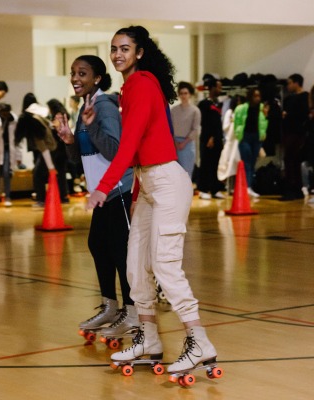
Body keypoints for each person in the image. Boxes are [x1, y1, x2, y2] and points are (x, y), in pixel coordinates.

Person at [83, 26, 217, 374]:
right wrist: (136, 193)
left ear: (139, 53)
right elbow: (135, 151)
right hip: (147, 184)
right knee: (134, 266)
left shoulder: (142, 84)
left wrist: (104, 187)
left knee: (165, 265)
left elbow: (129, 144)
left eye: (124, 49)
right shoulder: (129, 89)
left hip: (167, 182)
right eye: (113, 49)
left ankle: (199, 340)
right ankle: (149, 339)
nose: (117, 55)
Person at [57, 55, 138, 339]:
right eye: (73, 73)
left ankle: (132, 312)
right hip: (101, 193)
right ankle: (110, 306)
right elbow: (82, 158)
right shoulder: (86, 106)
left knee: (120, 252)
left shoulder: (104, 105)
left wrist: (89, 127)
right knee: (98, 245)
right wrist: (69, 141)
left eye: (82, 73)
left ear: (97, 78)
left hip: (118, 189)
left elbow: (116, 151)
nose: (76, 78)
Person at [15, 93, 56, 208]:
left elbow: (43, 147)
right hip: (49, 148)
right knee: (39, 172)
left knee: (38, 173)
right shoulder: (39, 115)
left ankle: (41, 199)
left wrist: (51, 167)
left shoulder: (33, 126)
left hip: (47, 148)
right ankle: (41, 197)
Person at [234, 88, 268, 197]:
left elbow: (264, 122)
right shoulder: (242, 108)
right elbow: (237, 122)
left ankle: (249, 186)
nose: (257, 98)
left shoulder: (262, 108)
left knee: (253, 161)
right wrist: (237, 133)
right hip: (245, 136)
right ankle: (246, 186)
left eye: (258, 96)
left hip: (256, 137)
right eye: (255, 96)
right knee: (247, 161)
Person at [280, 73, 309, 201]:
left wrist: (288, 115)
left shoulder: (304, 97)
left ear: (296, 83)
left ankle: (293, 189)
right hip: (290, 132)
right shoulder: (289, 99)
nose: (288, 86)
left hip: (297, 133)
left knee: (291, 160)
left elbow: (301, 115)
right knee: (292, 160)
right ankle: (295, 188)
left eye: (290, 83)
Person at [198, 78, 226, 200]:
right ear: (212, 88)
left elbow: (218, 123)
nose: (220, 89)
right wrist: (210, 137)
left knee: (215, 164)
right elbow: (205, 122)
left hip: (218, 139)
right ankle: (203, 189)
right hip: (208, 139)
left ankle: (215, 189)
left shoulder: (218, 103)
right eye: (218, 87)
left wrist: (218, 137)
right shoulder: (204, 104)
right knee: (206, 164)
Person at [170, 81, 201, 178]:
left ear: (190, 94)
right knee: (175, 173)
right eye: (181, 93)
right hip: (174, 143)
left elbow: (195, 129)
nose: (183, 96)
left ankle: (187, 192)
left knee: (186, 172)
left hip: (187, 143)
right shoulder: (174, 110)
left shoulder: (195, 110)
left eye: (186, 93)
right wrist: (175, 142)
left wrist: (184, 143)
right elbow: (170, 127)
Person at [46, 99, 70, 203]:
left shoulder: (58, 115)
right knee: (62, 172)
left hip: (58, 147)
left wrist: (49, 125)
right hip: (63, 146)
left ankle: (62, 196)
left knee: (59, 173)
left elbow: (58, 127)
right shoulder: (63, 113)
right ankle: (63, 195)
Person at [217, 95, 243, 187]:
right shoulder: (229, 112)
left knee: (238, 164)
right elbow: (225, 127)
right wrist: (233, 122)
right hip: (230, 142)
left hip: (239, 142)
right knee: (228, 164)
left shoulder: (241, 113)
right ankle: (228, 186)